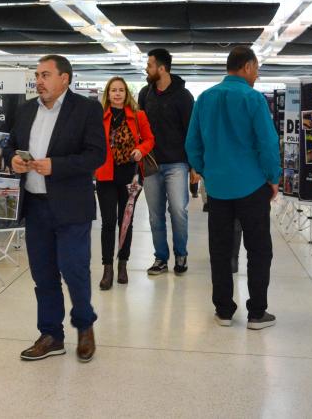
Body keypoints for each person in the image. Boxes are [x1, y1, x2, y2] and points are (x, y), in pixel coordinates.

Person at [3, 55, 105, 363]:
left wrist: (56, 166)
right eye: (37, 75)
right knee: (43, 274)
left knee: (75, 271)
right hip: (36, 206)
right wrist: (13, 159)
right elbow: (10, 144)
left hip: (72, 206)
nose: (39, 81)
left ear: (65, 79)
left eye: (45, 75)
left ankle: (85, 327)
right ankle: (51, 334)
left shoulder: (86, 109)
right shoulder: (24, 110)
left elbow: (96, 155)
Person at [186, 46, 281, 330]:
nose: (258, 74)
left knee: (220, 248)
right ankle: (257, 313)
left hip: (217, 189)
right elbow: (267, 143)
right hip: (252, 185)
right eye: (257, 68)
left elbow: (192, 143)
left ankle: (224, 310)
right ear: (248, 66)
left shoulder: (204, 98)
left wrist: (207, 169)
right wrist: (272, 178)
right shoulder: (253, 99)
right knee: (259, 249)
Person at [137, 48, 195, 276]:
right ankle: (160, 258)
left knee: (179, 210)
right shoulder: (145, 94)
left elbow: (191, 132)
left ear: (161, 68)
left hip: (177, 163)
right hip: (151, 164)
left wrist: (194, 166)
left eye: (149, 65)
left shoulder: (183, 96)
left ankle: (181, 254)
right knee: (154, 214)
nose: (147, 69)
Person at [94, 77, 154, 290]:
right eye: (113, 90)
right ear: (108, 94)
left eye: (121, 90)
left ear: (126, 93)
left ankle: (123, 264)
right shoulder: (99, 116)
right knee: (108, 223)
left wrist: (141, 150)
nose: (117, 94)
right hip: (105, 177)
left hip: (131, 177)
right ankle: (107, 268)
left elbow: (149, 139)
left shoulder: (138, 116)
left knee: (126, 223)